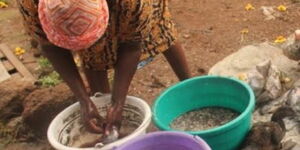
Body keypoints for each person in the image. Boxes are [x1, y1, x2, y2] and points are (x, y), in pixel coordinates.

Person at [17, 0, 191, 137]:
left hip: (131, 9)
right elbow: (48, 47)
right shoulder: (29, 4)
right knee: (93, 56)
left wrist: (118, 102)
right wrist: (84, 101)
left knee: (160, 27)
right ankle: (103, 113)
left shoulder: (133, 3)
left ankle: (191, 87)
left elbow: (131, 45)